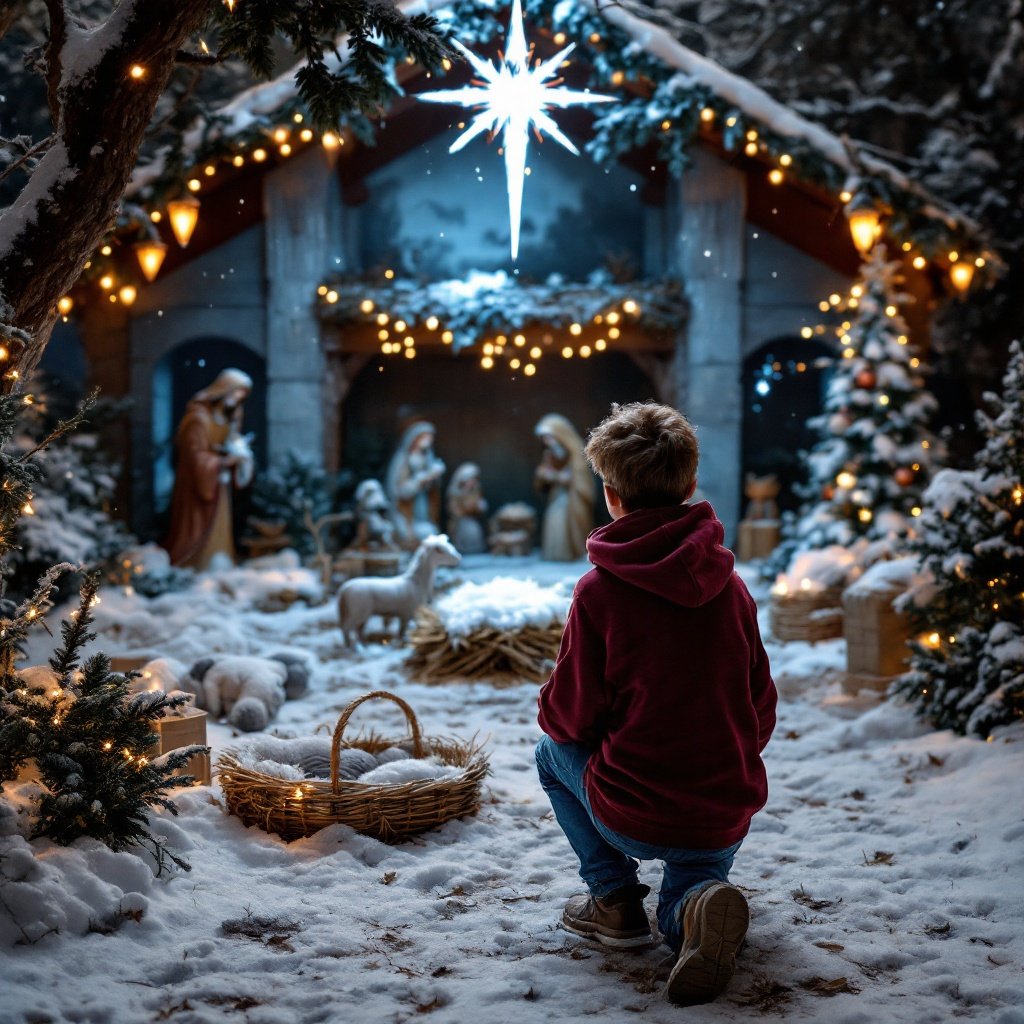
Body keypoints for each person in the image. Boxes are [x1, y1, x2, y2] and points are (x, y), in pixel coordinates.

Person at [534, 401, 776, 1006]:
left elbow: (571, 717)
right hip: (724, 808)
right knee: (694, 877)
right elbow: (760, 702)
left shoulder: (599, 593)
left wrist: (552, 704)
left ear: (611, 496)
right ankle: (692, 907)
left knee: (547, 752)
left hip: (633, 809)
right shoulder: (733, 588)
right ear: (691, 485)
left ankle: (613, 900)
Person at [164, 368, 254, 570]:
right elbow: (194, 455)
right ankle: (196, 564)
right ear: (223, 389)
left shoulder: (227, 417)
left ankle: (218, 561)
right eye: (236, 392)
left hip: (217, 483)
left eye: (242, 395)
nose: (238, 398)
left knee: (220, 525)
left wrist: (238, 452)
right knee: (196, 526)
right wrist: (222, 462)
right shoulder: (198, 417)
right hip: (197, 483)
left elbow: (228, 442)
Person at [534, 413, 593, 560]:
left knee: (562, 521)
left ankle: (572, 553)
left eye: (550, 437)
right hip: (557, 494)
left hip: (572, 498)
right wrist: (544, 476)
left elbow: (580, 480)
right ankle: (556, 555)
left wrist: (559, 477)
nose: (547, 442)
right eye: (545, 438)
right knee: (554, 520)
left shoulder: (575, 454)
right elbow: (543, 476)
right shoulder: (550, 454)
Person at [386, 421, 446, 549]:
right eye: (425, 437)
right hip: (406, 508)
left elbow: (433, 489)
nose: (428, 441)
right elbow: (400, 491)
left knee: (428, 529)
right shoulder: (403, 460)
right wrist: (424, 479)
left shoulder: (428, 458)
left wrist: (434, 477)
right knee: (410, 533)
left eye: (430, 438)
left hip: (422, 502)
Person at [446, 462, 488, 554]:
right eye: (471, 479)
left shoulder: (476, 491)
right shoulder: (455, 493)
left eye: (474, 479)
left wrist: (478, 507)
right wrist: (467, 508)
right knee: (468, 529)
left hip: (472, 520)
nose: (473, 482)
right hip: (459, 523)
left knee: (474, 529)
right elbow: (454, 510)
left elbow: (479, 507)